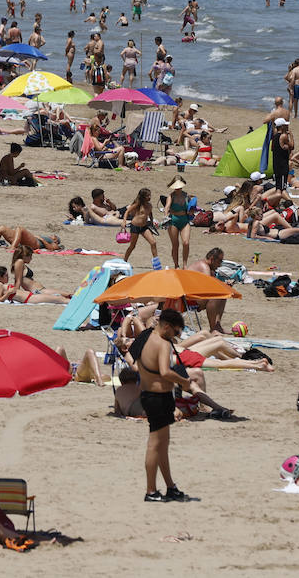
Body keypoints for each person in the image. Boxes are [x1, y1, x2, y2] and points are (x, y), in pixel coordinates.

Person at [135, 308, 192, 503]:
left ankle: (170, 487)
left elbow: (133, 357)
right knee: (154, 445)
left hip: (150, 394)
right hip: (157, 398)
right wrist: (183, 382)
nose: (176, 336)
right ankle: (151, 490)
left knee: (162, 445)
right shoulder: (163, 343)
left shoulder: (145, 336)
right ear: (167, 326)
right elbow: (165, 372)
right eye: (176, 332)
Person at [121, 187, 161, 269]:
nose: (150, 197)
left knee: (153, 243)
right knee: (132, 246)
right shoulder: (138, 204)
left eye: (150, 195)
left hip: (144, 227)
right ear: (143, 197)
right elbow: (127, 211)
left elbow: (150, 214)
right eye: (148, 196)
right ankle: (124, 261)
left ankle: (156, 263)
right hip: (135, 226)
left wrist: (152, 222)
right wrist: (124, 221)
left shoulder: (150, 205)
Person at [160, 177, 193, 269]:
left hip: (185, 220)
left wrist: (192, 211)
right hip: (173, 221)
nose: (177, 189)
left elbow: (191, 209)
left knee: (186, 243)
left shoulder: (187, 196)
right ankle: (176, 265)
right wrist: (166, 217)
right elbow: (167, 207)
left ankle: (185, 264)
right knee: (175, 244)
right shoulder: (171, 196)